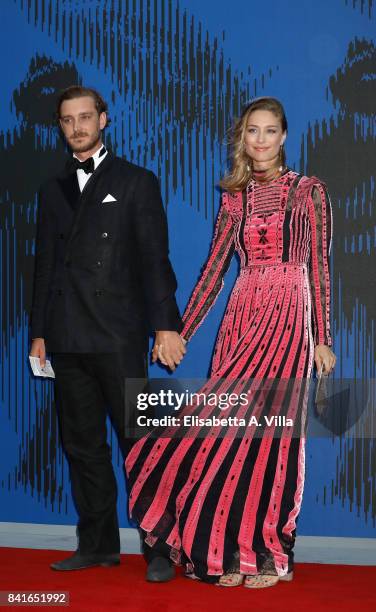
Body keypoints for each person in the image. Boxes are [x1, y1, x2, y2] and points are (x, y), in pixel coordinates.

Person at [125, 97, 336, 587]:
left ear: (284, 137)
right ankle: (219, 547)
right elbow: (213, 273)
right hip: (242, 317)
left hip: (291, 318)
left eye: (269, 131)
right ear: (242, 139)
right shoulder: (232, 199)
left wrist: (323, 338)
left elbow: (321, 264)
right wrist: (179, 331)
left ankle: (267, 552)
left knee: (273, 438)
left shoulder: (309, 191)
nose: (260, 140)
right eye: (251, 132)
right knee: (222, 431)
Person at [29, 85, 186, 576]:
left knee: (140, 442)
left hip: (118, 334)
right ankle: (96, 544)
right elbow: (47, 267)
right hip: (67, 335)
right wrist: (39, 332)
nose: (77, 127)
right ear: (60, 126)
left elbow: (153, 259)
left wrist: (165, 326)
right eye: (67, 120)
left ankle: (159, 549)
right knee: (81, 446)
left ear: (104, 119)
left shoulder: (137, 181)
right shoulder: (52, 189)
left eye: (85, 117)